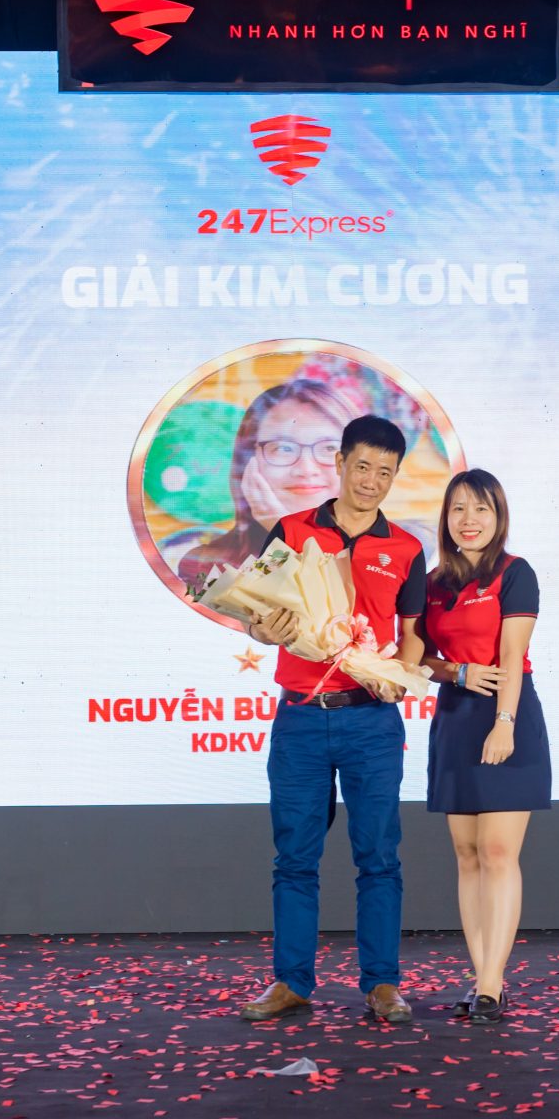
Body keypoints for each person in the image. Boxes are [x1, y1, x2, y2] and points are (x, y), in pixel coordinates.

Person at [238, 415, 428, 1026]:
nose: (371, 481)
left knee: (379, 858)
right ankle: (291, 982)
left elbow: (414, 636)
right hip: (301, 718)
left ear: (394, 477)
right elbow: (255, 616)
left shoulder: (406, 549)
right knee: (294, 858)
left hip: (372, 723)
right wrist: (264, 629)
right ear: (340, 463)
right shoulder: (293, 531)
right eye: (362, 466)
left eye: (384, 472)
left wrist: (401, 674)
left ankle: (382, 984)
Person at [414, 469, 548, 1024]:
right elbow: (418, 658)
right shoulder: (431, 583)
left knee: (497, 852)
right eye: (458, 509)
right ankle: (481, 977)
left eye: (481, 509)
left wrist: (505, 723)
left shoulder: (515, 573)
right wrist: (457, 672)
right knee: (467, 855)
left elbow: (512, 655)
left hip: (506, 713)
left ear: (499, 517)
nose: (469, 521)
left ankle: (492, 983)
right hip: (455, 716)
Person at [176, 379, 359, 586]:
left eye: (330, 448)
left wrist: (286, 534)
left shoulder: (382, 555)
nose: (306, 470)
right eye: (283, 448)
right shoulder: (204, 565)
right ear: (248, 459)